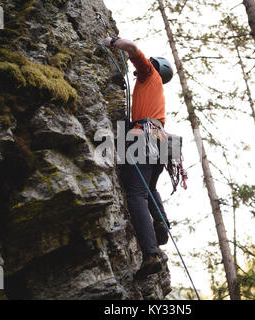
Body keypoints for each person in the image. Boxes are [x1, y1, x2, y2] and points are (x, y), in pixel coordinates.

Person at [103, 36, 173, 279]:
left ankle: (150, 255)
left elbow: (132, 48)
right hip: (160, 140)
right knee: (150, 186)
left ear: (154, 65)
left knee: (135, 194)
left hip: (142, 136)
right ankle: (161, 223)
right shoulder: (155, 90)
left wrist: (111, 41)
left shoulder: (148, 73)